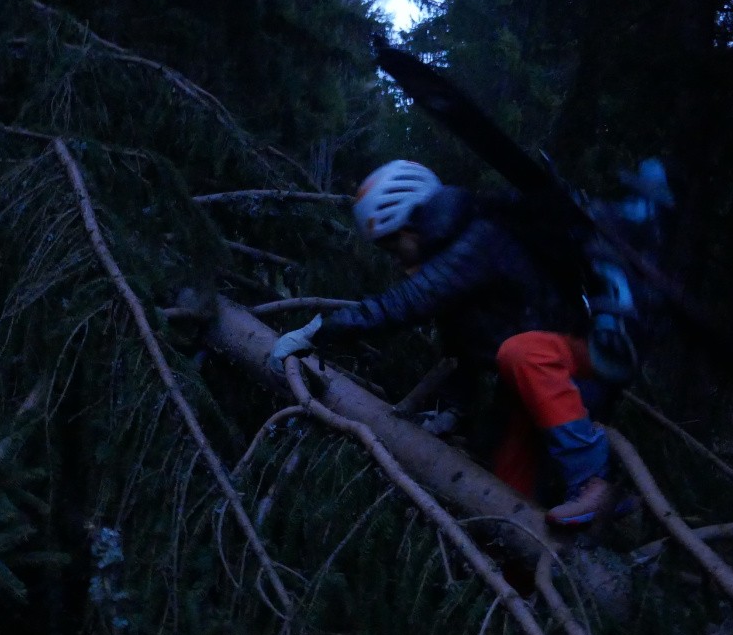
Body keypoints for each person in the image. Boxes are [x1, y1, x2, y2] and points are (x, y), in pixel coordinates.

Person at [269, 159, 633, 526]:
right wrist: (453, 411)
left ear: (413, 225)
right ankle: (534, 553)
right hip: (533, 384)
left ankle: (593, 482)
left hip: (578, 357)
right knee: (506, 493)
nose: (395, 259)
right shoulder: (456, 254)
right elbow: (464, 347)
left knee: (522, 352)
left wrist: (317, 331)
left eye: (394, 244)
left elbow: (403, 304)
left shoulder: (479, 240)